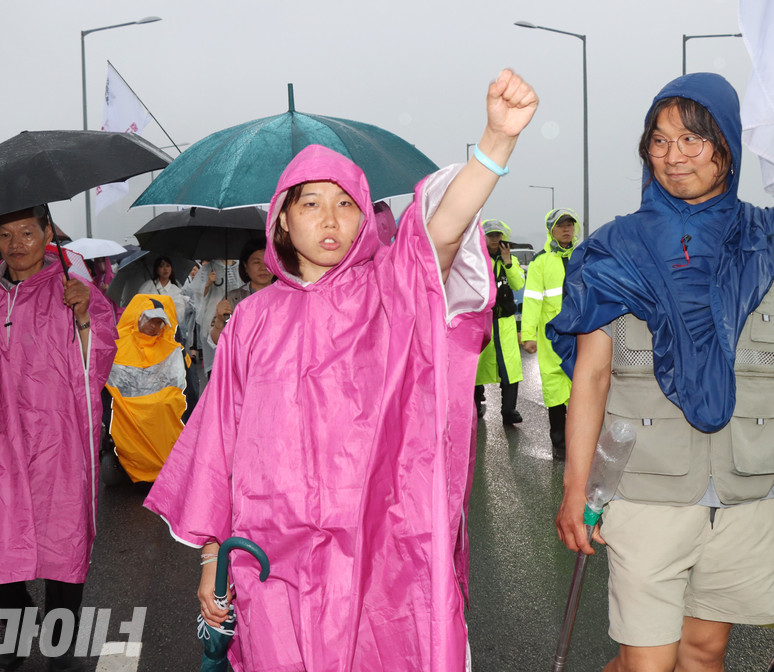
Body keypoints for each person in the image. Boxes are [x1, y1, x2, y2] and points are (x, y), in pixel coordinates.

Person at [145, 70, 538, 671]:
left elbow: (443, 228)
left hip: (378, 546)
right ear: (282, 220)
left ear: (364, 218)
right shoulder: (251, 320)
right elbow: (220, 442)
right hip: (269, 555)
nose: (330, 220)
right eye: (312, 203)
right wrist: (212, 561)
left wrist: (495, 142)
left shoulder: (390, 291)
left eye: (346, 204)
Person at [549, 73, 774, 672]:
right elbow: (592, 376)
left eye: (692, 139)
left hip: (744, 490)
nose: (673, 155)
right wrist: (574, 488)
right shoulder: (614, 250)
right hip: (646, 490)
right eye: (658, 141)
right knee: (649, 660)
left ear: (727, 145)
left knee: (706, 649)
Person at [0, 205, 117, 672]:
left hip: (61, 436)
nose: (16, 245)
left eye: (28, 233)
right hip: (0, 438)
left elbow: (96, 366)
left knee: (63, 539)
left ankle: (60, 639)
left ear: (48, 233)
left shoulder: (73, 288)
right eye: (6, 235)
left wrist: (82, 317)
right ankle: (17, 619)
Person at [105, 294, 186, 483]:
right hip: (127, 405)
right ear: (138, 318)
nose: (153, 326)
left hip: (160, 405)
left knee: (168, 405)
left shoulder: (171, 349)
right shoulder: (118, 346)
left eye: (159, 323)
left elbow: (178, 383)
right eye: (150, 320)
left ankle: (166, 467)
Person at [521, 208, 578, 457]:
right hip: (552, 337)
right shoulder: (540, 262)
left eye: (570, 225)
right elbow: (531, 300)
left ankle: (580, 441)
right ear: (550, 230)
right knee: (555, 390)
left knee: (581, 389)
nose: (566, 229)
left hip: (580, 335)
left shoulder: (583, 256)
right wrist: (528, 334)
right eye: (561, 225)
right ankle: (559, 444)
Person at [474, 219, 525, 424]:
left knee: (510, 367)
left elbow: (518, 283)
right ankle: (476, 402)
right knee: (477, 365)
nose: (495, 239)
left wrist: (508, 262)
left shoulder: (508, 260)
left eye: (498, 235)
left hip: (504, 322)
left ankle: (509, 409)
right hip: (481, 321)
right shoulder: (475, 259)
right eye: (491, 235)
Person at [208, 238, 276, 350]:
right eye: (256, 262)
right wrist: (219, 320)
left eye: (267, 261)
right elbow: (218, 341)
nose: (263, 268)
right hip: (243, 363)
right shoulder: (233, 298)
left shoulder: (287, 297)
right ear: (245, 265)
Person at [138, 255, 188, 330]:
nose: (165, 269)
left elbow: (179, 312)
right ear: (157, 270)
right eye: (161, 266)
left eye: (168, 266)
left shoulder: (176, 290)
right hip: (149, 328)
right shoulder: (148, 286)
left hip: (168, 328)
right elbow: (140, 305)